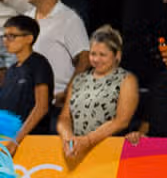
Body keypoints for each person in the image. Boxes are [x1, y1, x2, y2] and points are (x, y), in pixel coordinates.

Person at [56, 27, 139, 164]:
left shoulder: (126, 80)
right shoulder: (78, 80)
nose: (96, 59)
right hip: (76, 151)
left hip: (110, 152)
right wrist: (68, 138)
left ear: (117, 55)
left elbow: (121, 121)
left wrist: (88, 141)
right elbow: (64, 118)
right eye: (93, 54)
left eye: (102, 55)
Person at [26, 0, 90, 101]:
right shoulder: (25, 18)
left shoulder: (69, 19)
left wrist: (68, 93)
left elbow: (84, 59)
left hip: (55, 102)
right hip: (27, 100)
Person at [0, 15, 55, 152]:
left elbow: (42, 107)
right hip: (7, 139)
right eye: (4, 36)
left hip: (32, 140)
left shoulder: (39, 64)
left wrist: (17, 139)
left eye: (12, 36)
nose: (6, 41)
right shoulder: (11, 70)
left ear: (29, 38)